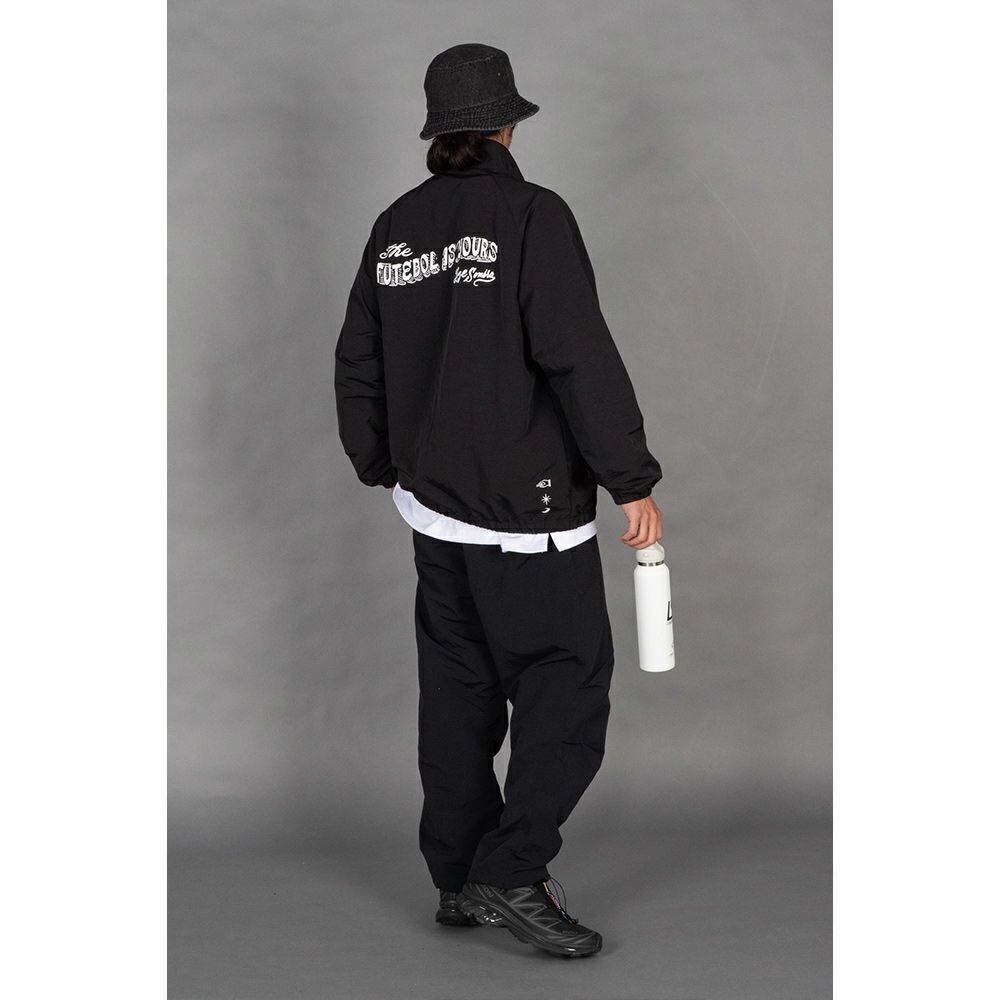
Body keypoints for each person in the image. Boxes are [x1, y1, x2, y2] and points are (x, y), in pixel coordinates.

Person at [334, 43, 662, 959]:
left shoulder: (398, 224)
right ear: (508, 124)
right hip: (527, 516)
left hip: (434, 509)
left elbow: (357, 357)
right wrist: (631, 477)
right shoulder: (530, 215)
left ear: (439, 130)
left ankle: (457, 875)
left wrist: (385, 462)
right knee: (566, 689)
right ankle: (511, 871)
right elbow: (576, 353)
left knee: (459, 693)